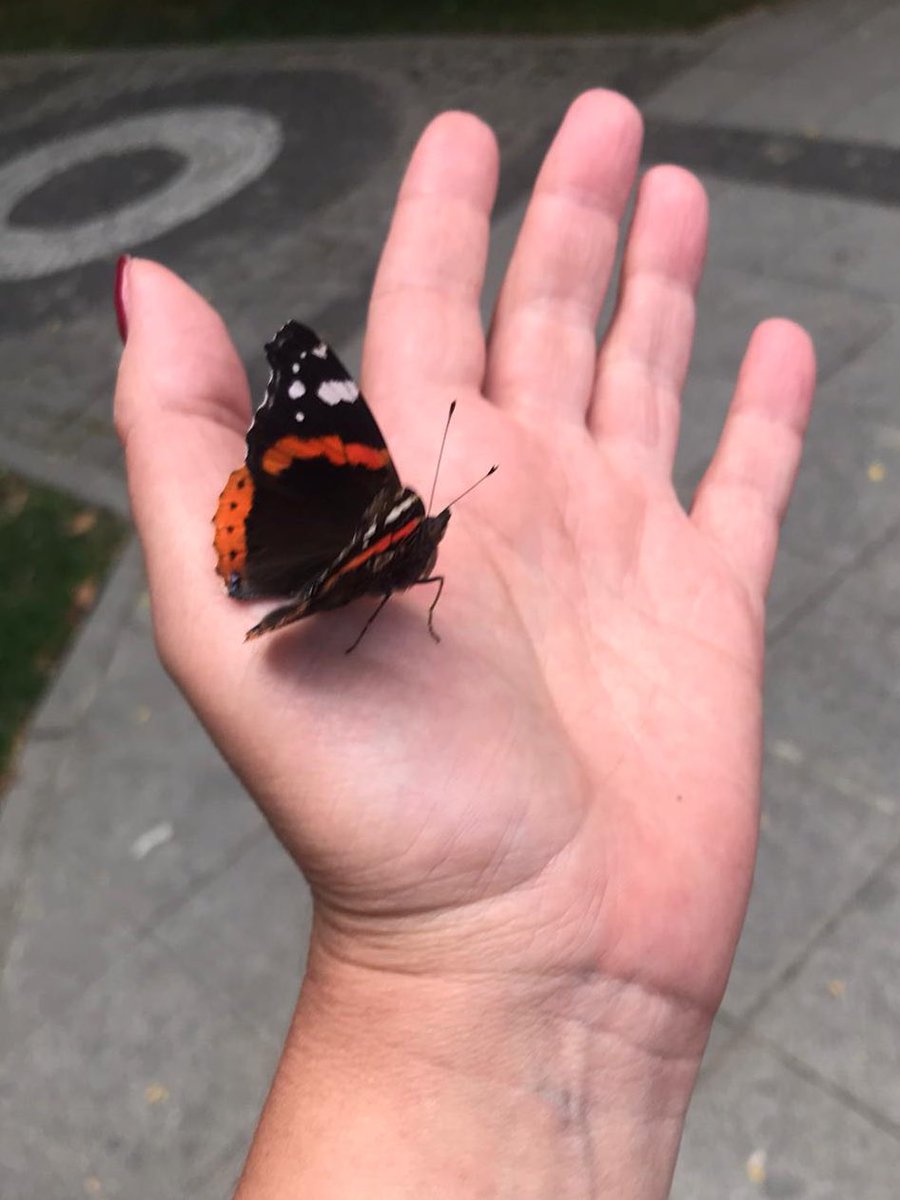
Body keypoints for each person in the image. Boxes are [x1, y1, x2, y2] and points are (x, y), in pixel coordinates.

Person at [113, 89, 815, 1198]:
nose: (433, 535)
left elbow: (385, 529)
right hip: (322, 578)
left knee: (354, 522)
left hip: (304, 555)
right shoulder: (400, 526)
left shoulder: (393, 518)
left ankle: (275, 557)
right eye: (430, 531)